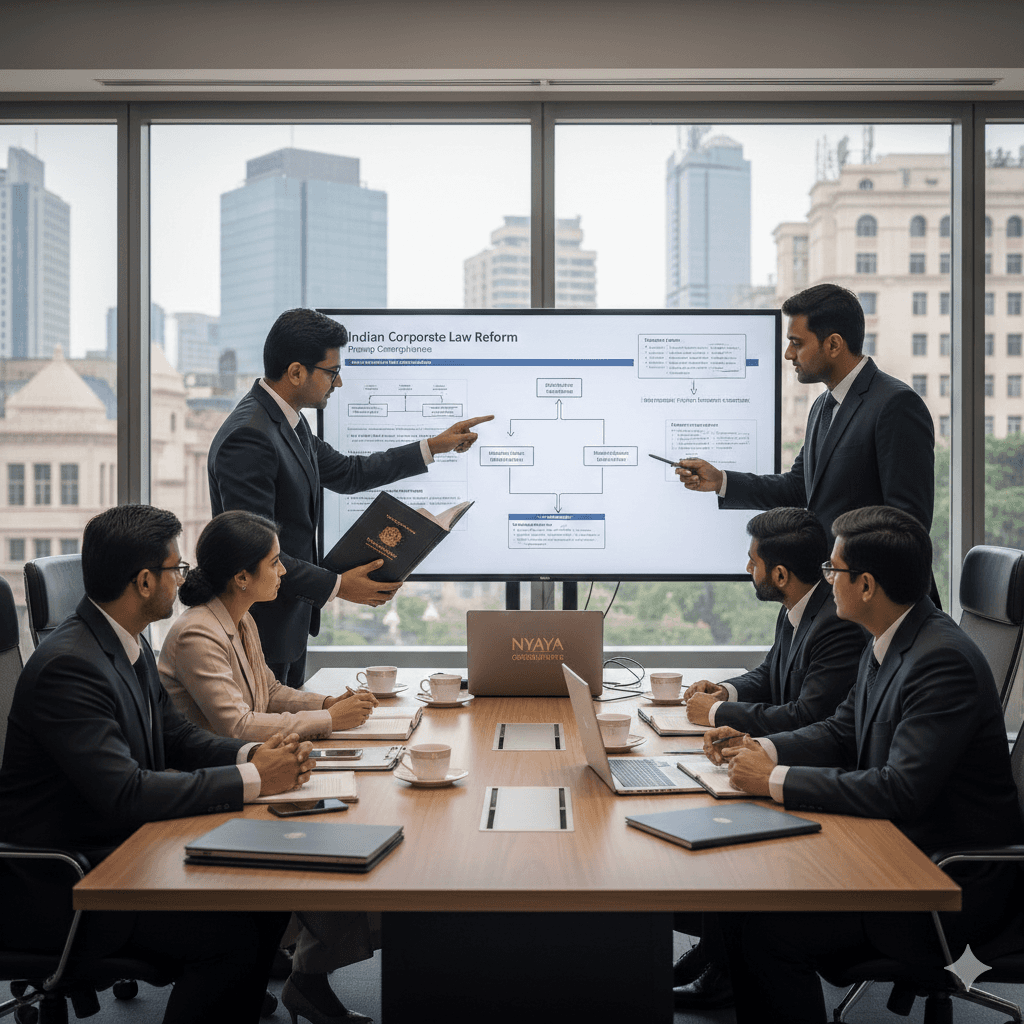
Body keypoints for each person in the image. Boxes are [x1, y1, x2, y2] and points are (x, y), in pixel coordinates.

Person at [701, 506, 1024, 1024]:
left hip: (941, 881)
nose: (826, 580)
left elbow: (900, 790)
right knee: (744, 897)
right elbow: (841, 728)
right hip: (895, 850)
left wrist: (775, 780)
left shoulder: (941, 662)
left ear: (867, 585)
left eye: (833, 570)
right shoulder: (889, 636)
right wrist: (763, 750)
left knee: (765, 924)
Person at [0, 504, 315, 1024]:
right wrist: (256, 779)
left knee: (263, 900)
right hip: (67, 881)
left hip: (120, 851)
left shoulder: (125, 643)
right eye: (177, 569)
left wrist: (254, 755)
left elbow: (178, 736)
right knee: (230, 934)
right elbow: (125, 794)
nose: (185, 578)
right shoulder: (70, 666)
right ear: (145, 581)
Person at [159, 509, 378, 1024]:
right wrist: (328, 718)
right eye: (276, 563)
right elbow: (234, 726)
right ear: (242, 577)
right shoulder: (197, 634)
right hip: (216, 786)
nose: (284, 572)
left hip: (257, 770)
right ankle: (305, 972)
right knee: (338, 838)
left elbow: (271, 693)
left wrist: (330, 703)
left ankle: (304, 972)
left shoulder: (239, 618)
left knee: (348, 824)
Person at [209, 307, 493, 687]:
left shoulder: (288, 422)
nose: (338, 383)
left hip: (286, 625)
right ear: (296, 372)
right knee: (271, 738)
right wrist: (339, 585)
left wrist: (434, 446)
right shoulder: (250, 436)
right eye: (333, 372)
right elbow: (255, 554)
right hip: (260, 629)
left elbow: (348, 472)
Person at [673, 507, 866, 1010]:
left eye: (752, 560)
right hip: (805, 759)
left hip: (831, 781)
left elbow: (811, 713)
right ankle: (718, 957)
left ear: (779, 574)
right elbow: (770, 672)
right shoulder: (800, 605)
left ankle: (724, 965)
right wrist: (727, 691)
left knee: (719, 825)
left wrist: (718, 712)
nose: (746, 568)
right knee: (714, 812)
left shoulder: (837, 624)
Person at [674, 283, 935, 546]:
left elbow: (908, 527)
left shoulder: (896, 405)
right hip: (833, 583)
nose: (788, 354)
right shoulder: (823, 405)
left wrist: (843, 572)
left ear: (833, 344)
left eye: (796, 343)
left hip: (870, 585)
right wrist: (721, 481)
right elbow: (799, 487)